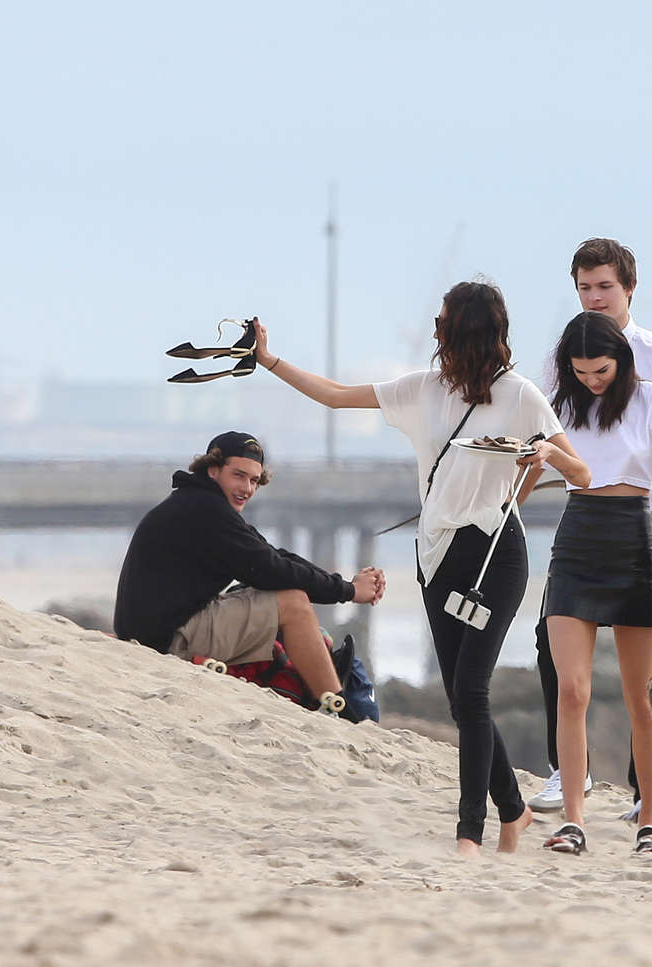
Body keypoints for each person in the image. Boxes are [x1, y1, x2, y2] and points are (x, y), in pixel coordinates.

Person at [253, 282, 590, 857]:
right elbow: (335, 395)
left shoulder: (520, 396)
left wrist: (544, 458)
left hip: (492, 552)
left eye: (442, 323)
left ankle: (469, 832)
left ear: (467, 331)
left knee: (471, 690)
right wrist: (267, 360)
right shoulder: (421, 390)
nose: (434, 332)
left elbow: (581, 473)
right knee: (462, 699)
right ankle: (515, 810)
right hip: (434, 555)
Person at [529, 237, 652, 822]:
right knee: (551, 649)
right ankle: (573, 772)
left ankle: (647, 795)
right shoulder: (565, 358)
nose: (593, 297)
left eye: (604, 287)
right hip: (584, 523)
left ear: (629, 288)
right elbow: (541, 429)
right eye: (584, 288)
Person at [114, 430, 385, 714]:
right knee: (293, 603)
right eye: (239, 475)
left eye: (254, 480)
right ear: (213, 469)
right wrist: (349, 592)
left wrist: (344, 584)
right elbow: (272, 569)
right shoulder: (207, 511)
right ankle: (338, 708)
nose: (247, 488)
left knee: (268, 592)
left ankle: (324, 699)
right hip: (166, 640)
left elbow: (274, 556)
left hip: (158, 630)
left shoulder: (200, 503)